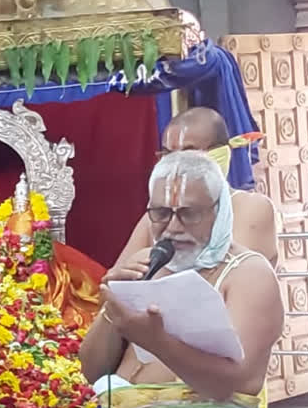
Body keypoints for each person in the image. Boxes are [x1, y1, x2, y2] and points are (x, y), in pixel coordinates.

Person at [80, 151, 282, 408]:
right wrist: (112, 303)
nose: (173, 228)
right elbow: (92, 369)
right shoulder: (146, 268)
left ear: (219, 213)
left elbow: (229, 384)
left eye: (188, 214)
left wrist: (156, 341)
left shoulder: (248, 274)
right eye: (160, 213)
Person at [106, 107, 278, 281]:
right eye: (168, 154)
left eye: (188, 153)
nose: (177, 165)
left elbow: (229, 277)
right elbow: (117, 276)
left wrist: (153, 262)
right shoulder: (159, 214)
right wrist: (119, 280)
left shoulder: (251, 207)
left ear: (220, 155)